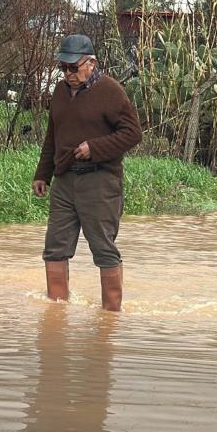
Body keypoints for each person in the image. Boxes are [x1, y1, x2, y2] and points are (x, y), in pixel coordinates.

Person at [32, 34, 142, 311]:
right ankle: (56, 314)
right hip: (64, 180)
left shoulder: (111, 91)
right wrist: (42, 174)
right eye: (63, 68)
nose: (68, 74)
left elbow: (133, 133)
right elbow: (52, 136)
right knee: (54, 249)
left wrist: (95, 148)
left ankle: (111, 317)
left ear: (91, 63)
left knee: (104, 249)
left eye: (73, 67)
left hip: (100, 181)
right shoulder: (59, 93)